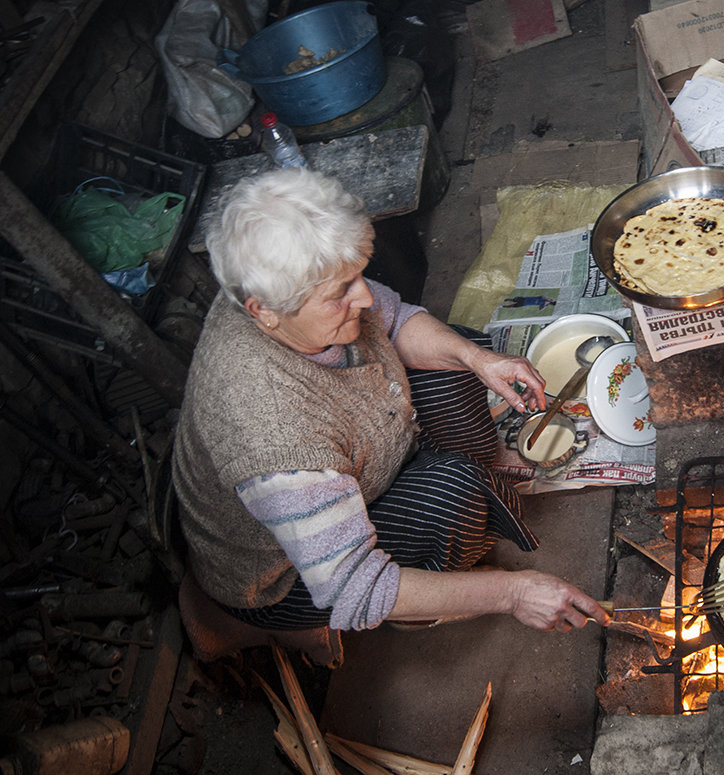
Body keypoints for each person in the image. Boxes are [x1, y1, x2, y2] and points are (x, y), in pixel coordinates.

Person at [172, 168, 609, 636]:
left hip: (359, 446)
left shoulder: (279, 285)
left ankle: (463, 492)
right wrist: (513, 592)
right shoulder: (274, 440)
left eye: (357, 275)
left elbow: (393, 317)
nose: (364, 295)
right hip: (289, 578)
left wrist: (477, 359)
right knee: (452, 492)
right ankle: (422, 597)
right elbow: (355, 589)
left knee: (458, 357)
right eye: (340, 293)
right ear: (264, 311)